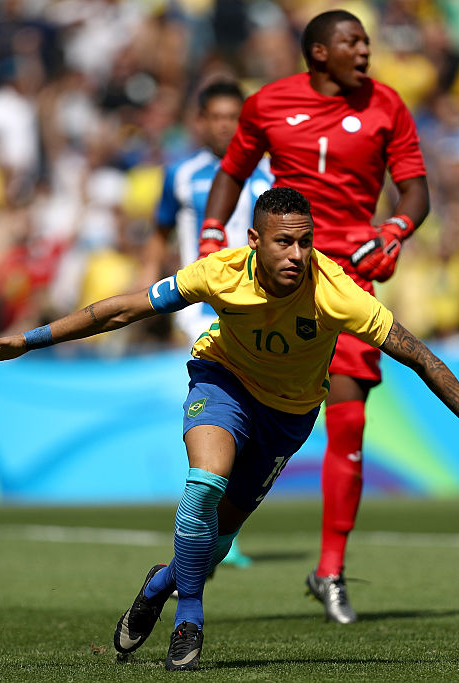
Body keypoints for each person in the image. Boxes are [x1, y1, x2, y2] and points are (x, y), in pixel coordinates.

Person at [0, 187, 459, 671]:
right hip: (223, 382)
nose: (297, 255)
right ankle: (190, 618)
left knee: (213, 541)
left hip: (288, 415)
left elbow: (419, 355)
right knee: (203, 488)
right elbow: (125, 308)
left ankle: (160, 586)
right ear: (254, 242)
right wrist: (29, 342)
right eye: (285, 243)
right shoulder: (219, 273)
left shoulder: (336, 291)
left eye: (306, 242)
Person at [200, 9, 430, 623]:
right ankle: (214, 530)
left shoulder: (388, 106)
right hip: (280, 271)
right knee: (245, 399)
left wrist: (397, 227)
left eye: (367, 40)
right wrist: (210, 236)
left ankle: (329, 568)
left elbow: (415, 189)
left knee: (348, 419)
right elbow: (232, 171)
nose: (365, 50)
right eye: (351, 41)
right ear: (318, 52)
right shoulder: (268, 104)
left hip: (347, 275)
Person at [142, 79, 274, 568]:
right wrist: (149, 292)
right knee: (223, 400)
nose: (225, 126)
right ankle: (214, 519)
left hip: (254, 304)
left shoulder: (268, 175)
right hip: (199, 305)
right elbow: (159, 233)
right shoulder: (180, 174)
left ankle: (215, 514)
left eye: (233, 118)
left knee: (245, 406)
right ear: (200, 121)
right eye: (216, 117)